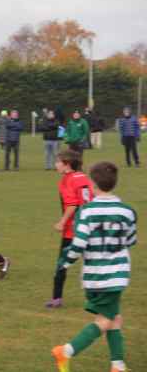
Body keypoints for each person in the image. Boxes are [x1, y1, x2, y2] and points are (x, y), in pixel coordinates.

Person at [51, 161, 136, 372]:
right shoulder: (127, 211)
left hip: (94, 275)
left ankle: (117, 365)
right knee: (106, 320)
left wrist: (66, 262)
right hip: (116, 275)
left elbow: (78, 243)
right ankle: (66, 351)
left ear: (92, 184)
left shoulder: (86, 211)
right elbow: (131, 240)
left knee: (113, 318)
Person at [45, 150, 93, 309]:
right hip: (91, 227)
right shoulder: (84, 177)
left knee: (62, 264)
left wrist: (62, 222)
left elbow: (72, 204)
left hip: (73, 230)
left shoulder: (67, 180)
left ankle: (56, 298)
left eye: (58, 162)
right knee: (91, 264)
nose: (56, 165)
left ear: (67, 164)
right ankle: (95, 298)